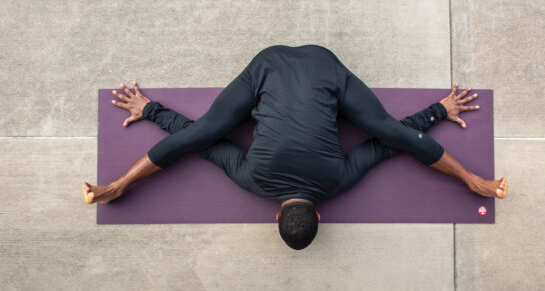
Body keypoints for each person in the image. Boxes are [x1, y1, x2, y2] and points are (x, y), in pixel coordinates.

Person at [82, 45, 508, 250]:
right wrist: (150, 109)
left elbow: (390, 143)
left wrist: (440, 111)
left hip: (325, 65)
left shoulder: (336, 182)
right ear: (278, 214)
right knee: (203, 134)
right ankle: (115, 187)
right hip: (265, 67)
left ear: (319, 214)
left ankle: (476, 181)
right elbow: (199, 143)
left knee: (388, 130)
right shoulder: (254, 181)